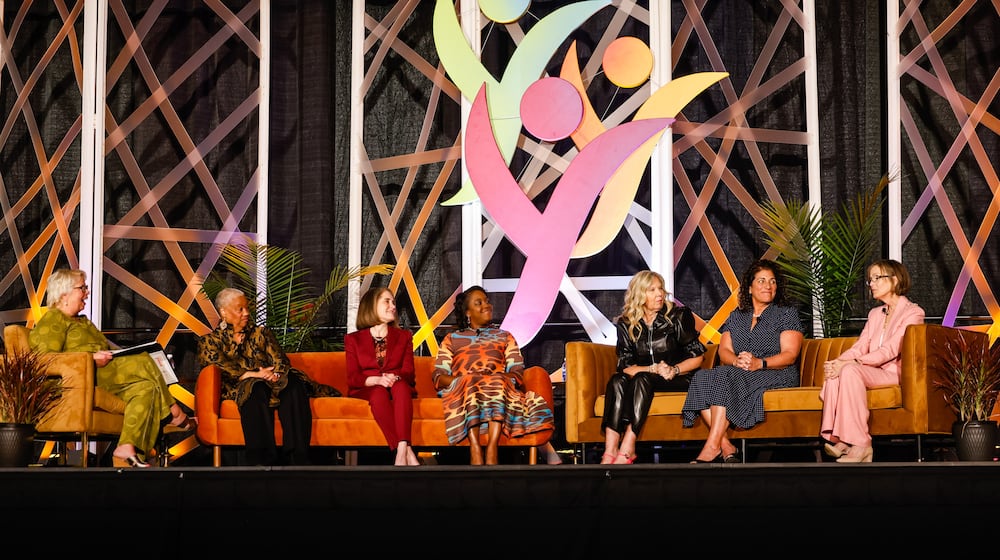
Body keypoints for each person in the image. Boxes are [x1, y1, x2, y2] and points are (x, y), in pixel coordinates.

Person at [28, 268, 194, 468]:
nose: (87, 293)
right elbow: (43, 360)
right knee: (143, 361)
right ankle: (174, 412)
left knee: (146, 389)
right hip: (81, 380)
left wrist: (124, 352)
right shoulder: (53, 319)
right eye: (82, 288)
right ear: (64, 294)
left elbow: (109, 349)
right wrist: (90, 359)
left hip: (107, 374)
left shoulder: (83, 322)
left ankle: (126, 448)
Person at [196, 287, 339, 466]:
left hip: (274, 381)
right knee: (255, 387)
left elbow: (280, 359)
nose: (246, 313)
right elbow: (217, 366)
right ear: (224, 312)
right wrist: (253, 374)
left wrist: (275, 374)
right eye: (240, 309)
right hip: (242, 386)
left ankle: (298, 458)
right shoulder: (210, 341)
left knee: (294, 384)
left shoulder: (261, 333)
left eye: (247, 308)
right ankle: (261, 461)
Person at [681, 258, 804, 463]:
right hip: (740, 371)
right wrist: (737, 361)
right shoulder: (737, 316)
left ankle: (712, 447)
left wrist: (760, 363)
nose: (768, 286)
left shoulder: (786, 314)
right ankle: (726, 446)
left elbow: (790, 354)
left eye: (773, 281)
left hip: (776, 372)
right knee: (702, 376)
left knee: (724, 375)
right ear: (749, 288)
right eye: (762, 281)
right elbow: (724, 351)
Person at [432, 285, 555, 465]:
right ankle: (474, 446)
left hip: (498, 388)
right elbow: (439, 375)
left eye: (487, 301)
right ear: (468, 313)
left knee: (495, 380)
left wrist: (495, 378)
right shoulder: (452, 339)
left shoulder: (504, 336)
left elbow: (517, 372)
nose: (486, 306)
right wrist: (464, 380)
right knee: (471, 380)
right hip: (463, 390)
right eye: (479, 303)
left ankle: (492, 446)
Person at [820, 259, 925, 463]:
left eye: (877, 278)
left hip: (893, 373)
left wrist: (851, 364)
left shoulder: (913, 312)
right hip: (872, 370)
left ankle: (862, 445)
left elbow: (890, 350)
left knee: (850, 371)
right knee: (838, 373)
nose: (872, 284)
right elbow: (861, 345)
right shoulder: (875, 314)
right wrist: (838, 362)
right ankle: (842, 439)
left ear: (895, 280)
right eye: (870, 280)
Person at [600, 270, 707, 464]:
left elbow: (697, 357)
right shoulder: (626, 323)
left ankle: (628, 446)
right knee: (617, 380)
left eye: (660, 289)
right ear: (639, 294)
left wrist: (673, 370)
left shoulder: (677, 315)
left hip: (679, 376)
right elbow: (625, 365)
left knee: (642, 379)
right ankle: (610, 450)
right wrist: (653, 368)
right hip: (650, 376)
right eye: (652, 290)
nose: (659, 294)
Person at [344, 286, 420, 466]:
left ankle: (401, 450)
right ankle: (407, 450)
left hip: (397, 384)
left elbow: (408, 372)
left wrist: (392, 377)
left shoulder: (404, 337)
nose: (392, 306)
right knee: (378, 392)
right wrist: (378, 380)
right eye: (387, 301)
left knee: (401, 386)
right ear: (372, 306)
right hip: (368, 388)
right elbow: (353, 377)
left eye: (393, 302)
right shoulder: (353, 339)